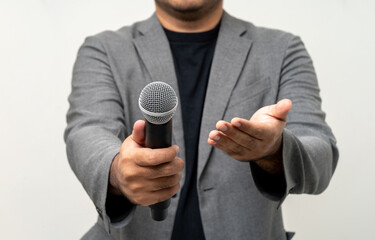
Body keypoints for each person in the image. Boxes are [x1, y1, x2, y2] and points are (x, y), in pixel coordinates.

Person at [64, 0, 339, 239]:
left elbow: (320, 155)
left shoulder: (283, 49)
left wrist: (274, 150)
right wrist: (117, 170)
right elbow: (87, 132)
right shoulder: (103, 49)